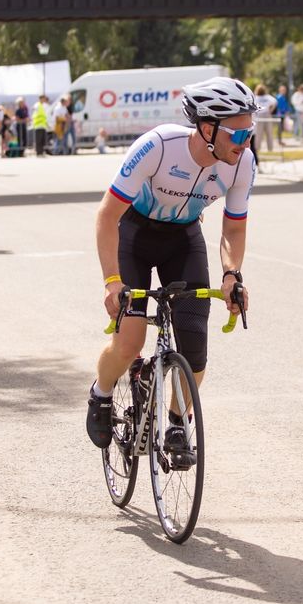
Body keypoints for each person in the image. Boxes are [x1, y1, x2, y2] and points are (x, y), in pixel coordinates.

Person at [86, 77, 256, 462]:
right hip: (133, 234)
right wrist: (112, 281)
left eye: (250, 133)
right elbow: (107, 215)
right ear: (208, 129)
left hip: (182, 239)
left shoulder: (242, 163)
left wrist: (232, 274)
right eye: (238, 134)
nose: (245, 143)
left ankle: (178, 422)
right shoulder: (159, 146)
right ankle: (101, 393)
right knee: (129, 343)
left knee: (195, 351)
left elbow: (234, 228)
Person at [253, 84, 279, 152]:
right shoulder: (265, 97)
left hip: (261, 115)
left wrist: (271, 110)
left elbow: (275, 102)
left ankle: (258, 148)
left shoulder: (256, 97)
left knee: (259, 133)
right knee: (268, 133)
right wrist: (271, 109)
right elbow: (275, 102)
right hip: (265, 115)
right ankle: (269, 148)